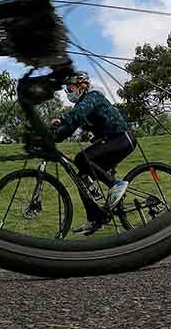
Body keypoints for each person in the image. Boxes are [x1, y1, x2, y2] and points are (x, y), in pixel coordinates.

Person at [50, 74, 134, 235]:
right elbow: (69, 127)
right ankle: (95, 219)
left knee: (82, 158)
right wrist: (50, 137)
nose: (68, 93)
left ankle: (116, 184)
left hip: (121, 138)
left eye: (70, 89)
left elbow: (77, 114)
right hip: (110, 142)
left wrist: (61, 119)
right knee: (82, 177)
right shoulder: (82, 104)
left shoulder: (93, 96)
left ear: (81, 86)